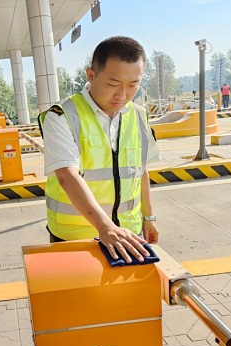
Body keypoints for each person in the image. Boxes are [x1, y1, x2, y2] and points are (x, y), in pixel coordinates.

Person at [40, 36, 160, 263]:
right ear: (91, 75)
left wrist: (148, 217)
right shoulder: (62, 116)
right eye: (113, 84)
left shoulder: (138, 115)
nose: (122, 95)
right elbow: (67, 175)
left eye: (133, 85)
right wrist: (106, 227)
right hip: (75, 238)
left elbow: (140, 170)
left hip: (129, 234)